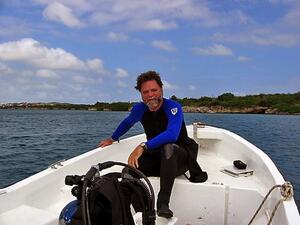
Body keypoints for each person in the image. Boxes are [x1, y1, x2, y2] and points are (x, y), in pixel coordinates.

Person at [99, 70, 205, 218]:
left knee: (168, 147)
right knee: (129, 171)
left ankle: (163, 204)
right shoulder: (139, 109)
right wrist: (112, 138)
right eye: (145, 92)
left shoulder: (173, 107)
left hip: (180, 157)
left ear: (161, 90)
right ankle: (142, 211)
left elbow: (172, 135)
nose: (150, 95)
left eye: (154, 90)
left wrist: (143, 146)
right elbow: (127, 123)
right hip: (157, 156)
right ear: (141, 95)